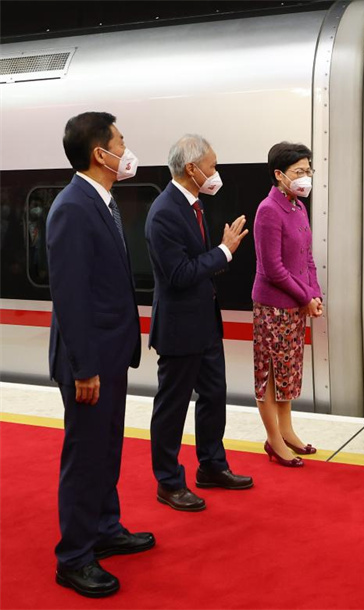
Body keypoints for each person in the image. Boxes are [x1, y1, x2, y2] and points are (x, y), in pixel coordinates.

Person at [47, 112, 154, 598]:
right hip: (89, 362)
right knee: (85, 456)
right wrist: (83, 367)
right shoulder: (73, 207)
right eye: (121, 142)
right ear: (100, 153)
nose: (126, 150)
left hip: (111, 356)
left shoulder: (103, 202)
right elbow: (70, 295)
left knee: (107, 447)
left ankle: (105, 529)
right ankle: (73, 557)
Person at [145, 134, 253, 511]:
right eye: (211, 166)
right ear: (191, 169)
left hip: (205, 323)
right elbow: (178, 274)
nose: (215, 173)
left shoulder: (194, 205)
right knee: (172, 406)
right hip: (179, 328)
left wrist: (218, 252)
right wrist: (224, 252)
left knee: (214, 395)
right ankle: (168, 482)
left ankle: (211, 465)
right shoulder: (164, 212)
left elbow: (195, 262)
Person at [252, 142, 323, 468]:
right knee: (269, 374)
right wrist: (305, 297)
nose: (305, 177)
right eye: (299, 172)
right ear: (279, 174)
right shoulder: (268, 210)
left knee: (288, 373)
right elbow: (273, 269)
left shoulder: (297, 207)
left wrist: (316, 293)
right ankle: (274, 440)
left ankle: (288, 431)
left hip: (295, 306)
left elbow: (306, 257)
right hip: (273, 307)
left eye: (308, 171)